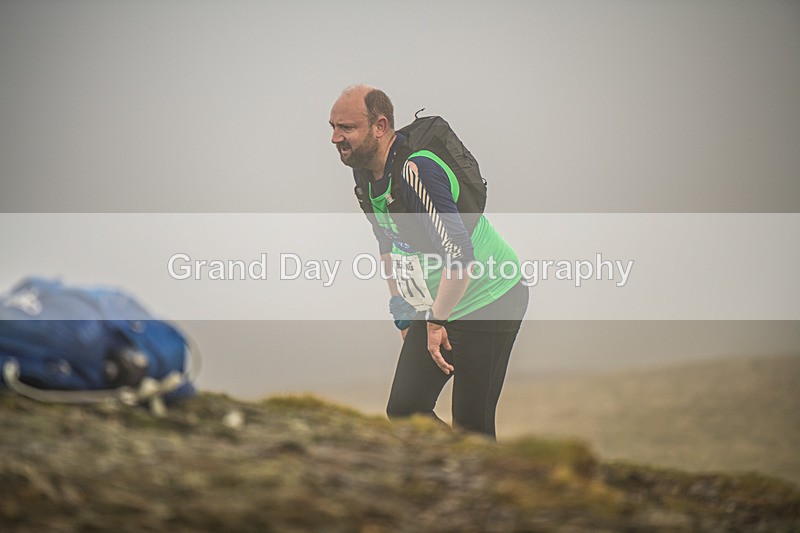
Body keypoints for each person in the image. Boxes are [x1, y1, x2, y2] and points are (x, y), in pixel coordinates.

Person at [329, 85, 528, 440]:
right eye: (333, 127)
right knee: (405, 409)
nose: (335, 138)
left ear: (379, 126)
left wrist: (436, 321)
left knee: (472, 427)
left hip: (490, 297)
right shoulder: (365, 173)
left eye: (347, 128)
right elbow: (388, 241)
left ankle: (487, 473)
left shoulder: (417, 171)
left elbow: (460, 256)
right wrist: (403, 311)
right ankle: (460, 468)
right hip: (438, 303)